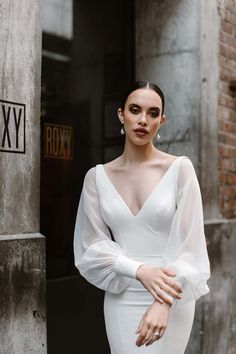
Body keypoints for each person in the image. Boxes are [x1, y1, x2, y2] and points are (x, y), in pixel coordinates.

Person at [73, 80, 210, 353]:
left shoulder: (180, 169)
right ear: (121, 115)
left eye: (152, 113)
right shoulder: (96, 177)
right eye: (135, 110)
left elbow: (191, 247)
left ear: (162, 120)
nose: (143, 120)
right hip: (122, 295)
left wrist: (163, 302)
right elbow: (91, 248)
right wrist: (139, 270)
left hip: (171, 295)